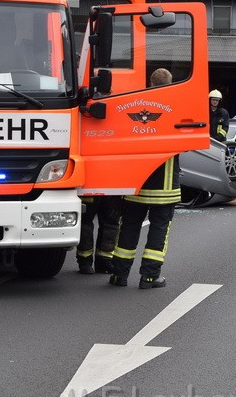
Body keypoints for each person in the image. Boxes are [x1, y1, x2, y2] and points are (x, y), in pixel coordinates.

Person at [110, 68, 180, 289]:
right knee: (159, 229)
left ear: (150, 81)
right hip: (165, 185)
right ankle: (149, 277)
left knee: (129, 227)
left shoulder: (135, 102)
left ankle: (118, 276)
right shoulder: (176, 105)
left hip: (137, 183)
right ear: (170, 83)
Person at [75, 195, 121, 275]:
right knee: (86, 223)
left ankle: (102, 261)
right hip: (95, 188)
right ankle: (85, 261)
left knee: (110, 224)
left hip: (111, 188)